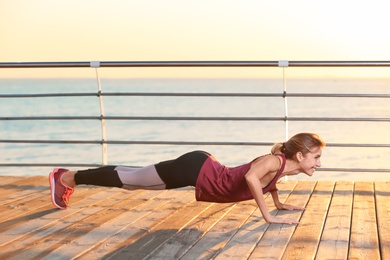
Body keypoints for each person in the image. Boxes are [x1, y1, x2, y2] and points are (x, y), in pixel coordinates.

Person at [49, 132, 325, 224]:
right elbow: (253, 178)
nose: (319, 163)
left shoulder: (282, 166)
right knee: (130, 180)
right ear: (300, 156)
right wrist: (266, 214)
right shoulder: (274, 160)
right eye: (316, 157)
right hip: (196, 169)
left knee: (132, 178)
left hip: (200, 167)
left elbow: (268, 180)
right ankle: (67, 177)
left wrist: (278, 203)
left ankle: (70, 177)